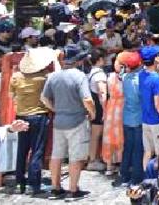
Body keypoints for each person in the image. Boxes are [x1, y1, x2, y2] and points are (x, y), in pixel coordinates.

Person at [41, 44, 96, 200]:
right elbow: (87, 99)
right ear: (78, 60)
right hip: (77, 120)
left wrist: (56, 109)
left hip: (59, 121)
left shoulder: (53, 76)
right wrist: (92, 113)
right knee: (75, 157)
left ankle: (55, 188)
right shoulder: (79, 76)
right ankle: (73, 189)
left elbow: (44, 98)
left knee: (56, 155)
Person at [11, 47, 55, 195]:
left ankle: (19, 183)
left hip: (21, 116)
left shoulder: (16, 77)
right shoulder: (43, 78)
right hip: (39, 115)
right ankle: (34, 184)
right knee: (37, 150)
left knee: (21, 150)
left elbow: (13, 96)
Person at [138, 45, 159, 168]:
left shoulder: (141, 74)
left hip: (145, 119)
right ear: (155, 59)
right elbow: (158, 103)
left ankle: (147, 178)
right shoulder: (156, 79)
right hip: (157, 120)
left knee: (147, 152)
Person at [118, 49, 145, 187]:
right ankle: (136, 176)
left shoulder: (125, 78)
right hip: (139, 117)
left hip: (127, 116)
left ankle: (124, 173)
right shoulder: (140, 79)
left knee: (128, 146)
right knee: (138, 148)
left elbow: (121, 73)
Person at [102, 50, 128, 176]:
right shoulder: (125, 78)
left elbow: (104, 94)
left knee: (109, 135)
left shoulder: (109, 77)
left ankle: (109, 165)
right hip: (122, 107)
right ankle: (121, 164)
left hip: (111, 106)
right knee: (120, 136)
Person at [85, 48, 108, 172]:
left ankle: (94, 158)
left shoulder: (90, 73)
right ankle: (93, 160)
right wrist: (105, 110)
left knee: (95, 135)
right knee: (96, 135)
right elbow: (102, 93)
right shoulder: (99, 74)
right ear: (99, 59)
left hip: (95, 107)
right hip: (99, 108)